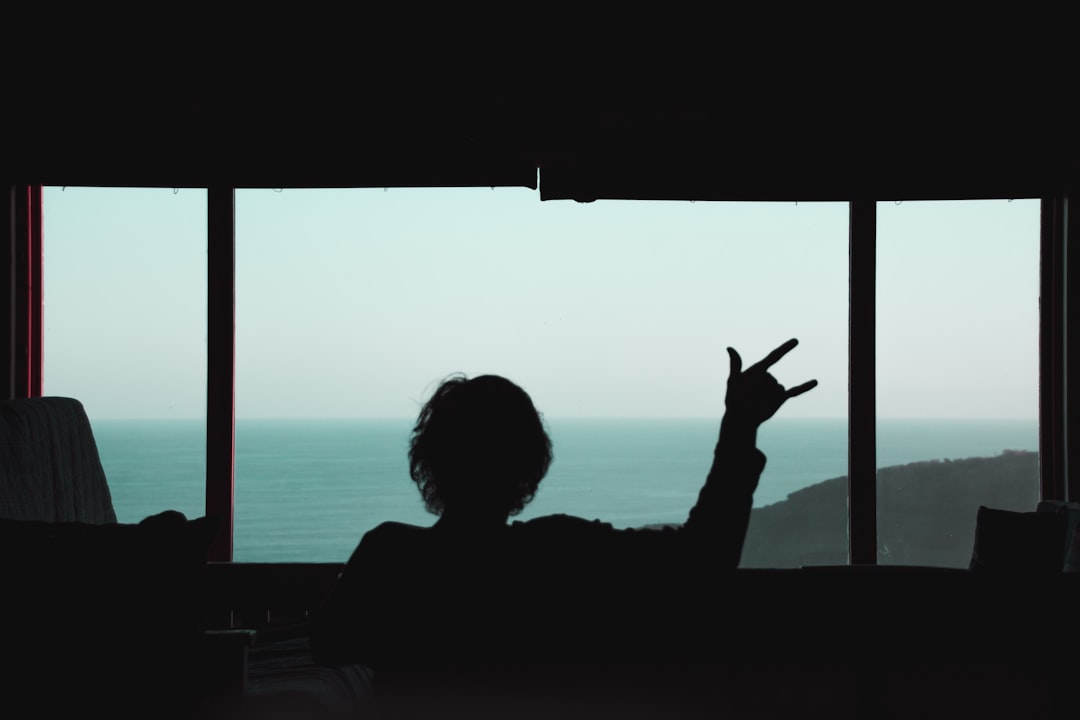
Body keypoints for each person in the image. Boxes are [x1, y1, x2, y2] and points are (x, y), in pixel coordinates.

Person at [311, 338, 816, 673]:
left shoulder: (387, 556)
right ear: (530, 464)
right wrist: (739, 427)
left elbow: (325, 650)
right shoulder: (561, 550)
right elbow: (702, 559)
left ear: (430, 461)